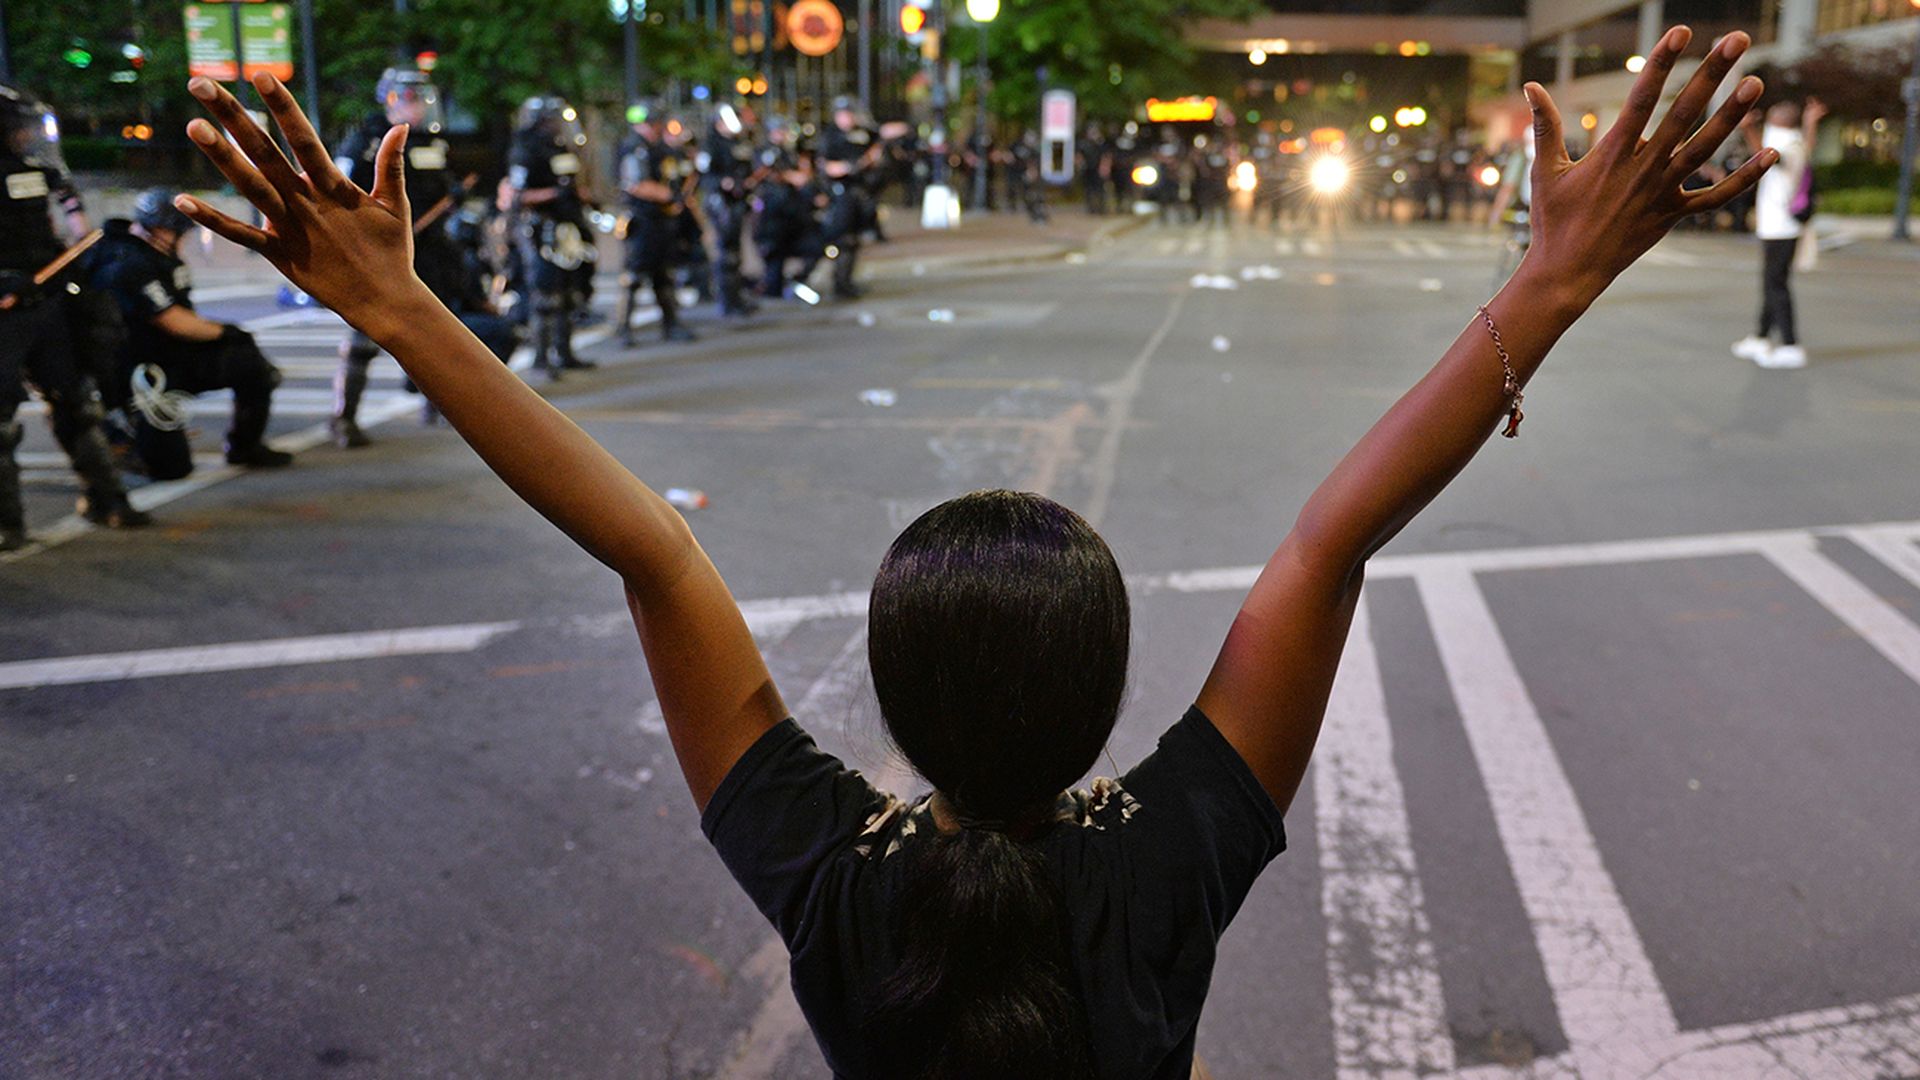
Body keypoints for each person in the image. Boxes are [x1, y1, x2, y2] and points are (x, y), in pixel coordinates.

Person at [175, 28, 1769, 1074]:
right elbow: (1334, 540)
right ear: (1105, 700)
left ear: (891, 701)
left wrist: (396, 309)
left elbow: (648, 552)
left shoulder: (840, 880)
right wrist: (1550, 285)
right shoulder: (1161, 861)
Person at [1, 83, 150, 548]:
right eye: (19, 129)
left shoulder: (34, 172)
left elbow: (66, 212)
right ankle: (8, 523)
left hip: (46, 300)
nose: (27, 137)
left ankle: (106, 498)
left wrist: (79, 241)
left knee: (76, 401)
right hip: (5, 311)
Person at [91, 190, 293, 469]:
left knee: (249, 364)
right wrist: (226, 332)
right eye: (178, 231)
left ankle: (245, 447)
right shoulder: (128, 262)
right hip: (140, 372)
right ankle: (122, 441)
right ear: (159, 229)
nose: (184, 238)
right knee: (171, 467)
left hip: (170, 356)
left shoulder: (156, 254)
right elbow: (172, 320)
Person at [329, 67, 467, 447]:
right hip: (382, 250)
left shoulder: (429, 141)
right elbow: (340, 192)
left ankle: (435, 405)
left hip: (430, 249)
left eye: (422, 99)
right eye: (410, 98)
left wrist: (453, 194)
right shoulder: (366, 140)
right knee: (364, 338)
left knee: (433, 332)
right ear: (391, 99)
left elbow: (439, 184)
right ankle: (344, 417)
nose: (418, 106)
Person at [506, 95, 596, 379]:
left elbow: (574, 181)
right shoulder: (525, 149)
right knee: (546, 294)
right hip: (540, 227)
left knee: (570, 292)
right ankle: (541, 357)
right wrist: (555, 194)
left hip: (568, 225)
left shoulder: (562, 148)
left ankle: (565, 352)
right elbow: (518, 196)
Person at [1732, 96, 1825, 370]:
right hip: (1780, 226)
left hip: (1781, 227)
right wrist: (1811, 123)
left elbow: (1766, 157)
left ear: (1783, 120)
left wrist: (1747, 129)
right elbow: (1805, 147)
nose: (1771, 113)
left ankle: (1790, 345)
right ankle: (1761, 337)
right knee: (1772, 282)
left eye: (1776, 112)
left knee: (1776, 285)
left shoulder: (1786, 146)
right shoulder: (1795, 142)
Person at [614, 101, 696, 347]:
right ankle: (623, 327)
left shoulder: (659, 148)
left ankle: (670, 324)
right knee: (634, 276)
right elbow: (637, 184)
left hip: (662, 219)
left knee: (664, 274)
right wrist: (671, 197)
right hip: (643, 219)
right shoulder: (634, 148)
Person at [698, 103, 758, 318]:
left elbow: (748, 168)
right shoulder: (711, 145)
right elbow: (704, 176)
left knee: (735, 252)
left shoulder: (739, 143)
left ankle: (737, 296)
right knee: (726, 254)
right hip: (720, 203)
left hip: (738, 202)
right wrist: (723, 183)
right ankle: (727, 300)